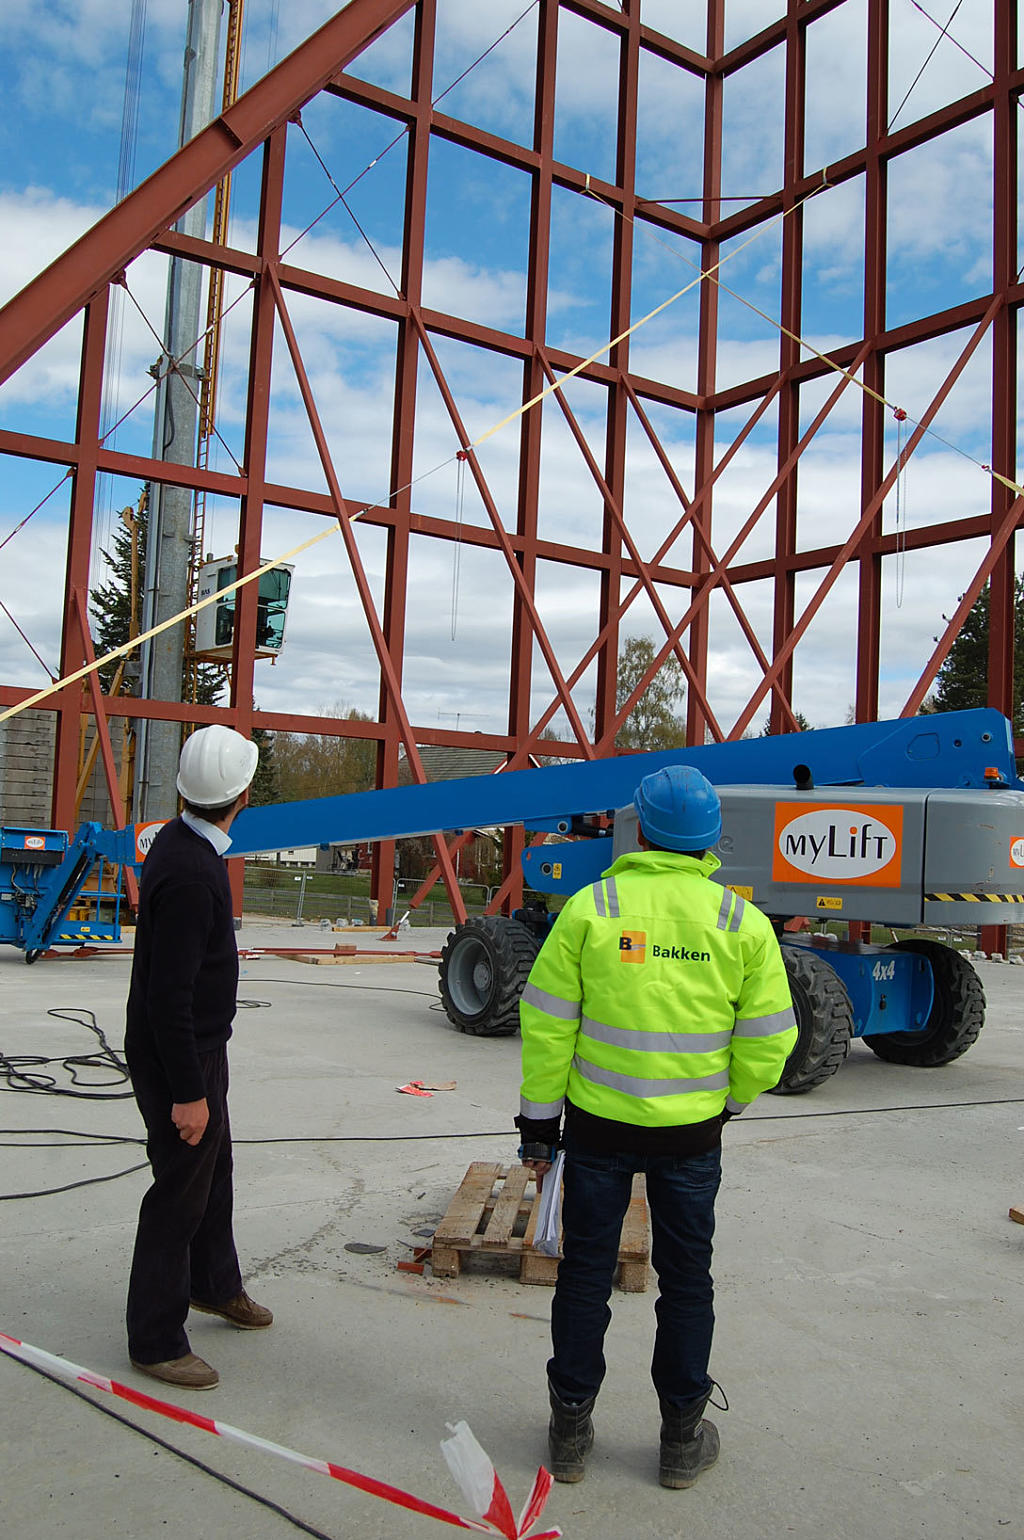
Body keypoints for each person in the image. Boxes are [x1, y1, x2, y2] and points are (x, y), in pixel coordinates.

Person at [515, 764, 797, 1488]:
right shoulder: (742, 921)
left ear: (639, 827)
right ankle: (680, 1440)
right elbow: (770, 1040)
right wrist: (725, 1104)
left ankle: (571, 1432)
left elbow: (548, 1027)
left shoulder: (590, 907)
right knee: (687, 1281)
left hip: (599, 1130)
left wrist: (539, 1129)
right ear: (709, 838)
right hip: (692, 1139)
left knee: (583, 1276)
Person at [125, 724, 272, 1390]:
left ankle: (215, 1285)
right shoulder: (189, 872)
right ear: (242, 791)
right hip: (179, 1056)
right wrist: (189, 1091)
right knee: (179, 1192)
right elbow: (168, 997)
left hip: (197, 1050)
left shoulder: (183, 845)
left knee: (216, 1171)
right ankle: (155, 1339)